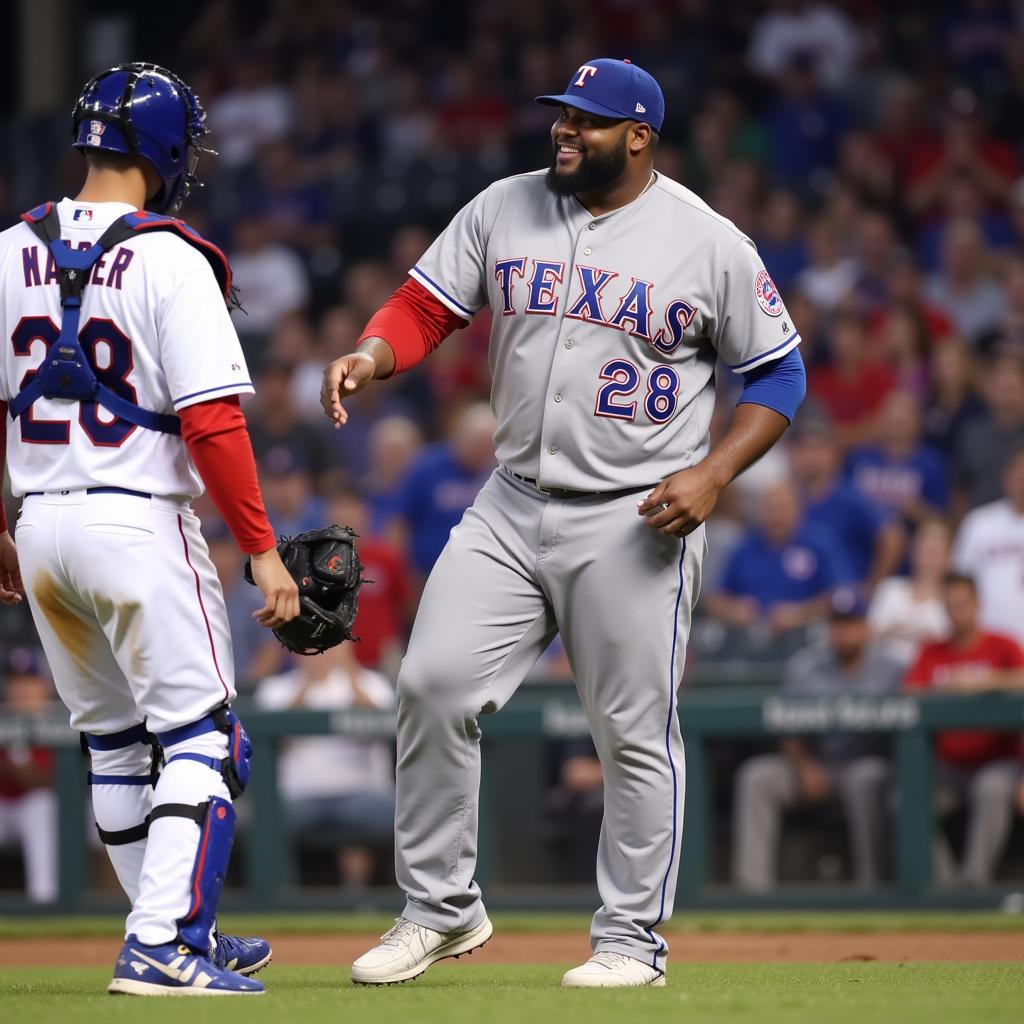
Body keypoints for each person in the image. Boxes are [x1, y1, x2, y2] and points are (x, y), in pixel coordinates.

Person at [321, 58, 805, 988]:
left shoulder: (709, 242)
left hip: (635, 516)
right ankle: (440, 910)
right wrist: (373, 353)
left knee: (631, 734)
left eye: (586, 120)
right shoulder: (506, 205)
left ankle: (632, 940)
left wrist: (712, 473)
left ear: (638, 136)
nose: (564, 131)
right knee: (429, 685)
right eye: (562, 117)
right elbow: (428, 304)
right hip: (510, 502)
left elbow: (780, 374)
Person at [0, 63, 300, 995]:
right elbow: (213, 422)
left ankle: (168, 927)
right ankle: (162, 944)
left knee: (118, 747)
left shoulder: (6, 251)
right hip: (137, 521)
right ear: (167, 152)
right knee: (206, 739)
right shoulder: (173, 257)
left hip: (40, 524)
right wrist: (259, 548)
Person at [732, 589, 904, 891]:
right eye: (838, 623)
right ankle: (753, 889)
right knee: (757, 777)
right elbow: (786, 724)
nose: (844, 632)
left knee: (865, 779)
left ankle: (873, 888)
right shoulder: (806, 666)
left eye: (851, 623)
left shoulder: (892, 668)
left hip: (868, 764)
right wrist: (803, 766)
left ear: (866, 627)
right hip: (816, 765)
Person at [905, 573, 1024, 885]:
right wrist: (944, 689)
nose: (956, 613)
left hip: (999, 761)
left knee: (991, 788)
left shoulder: (1003, 644)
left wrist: (985, 682)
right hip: (948, 766)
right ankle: (944, 885)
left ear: (978, 605)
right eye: (950, 606)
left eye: (962, 605)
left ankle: (974, 882)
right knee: (907, 796)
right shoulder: (933, 651)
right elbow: (909, 695)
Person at [255, 642, 395, 890]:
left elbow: (379, 718)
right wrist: (308, 681)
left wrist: (350, 670)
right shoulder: (276, 688)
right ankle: (282, 902)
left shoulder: (371, 683)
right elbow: (277, 732)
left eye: (329, 645)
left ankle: (364, 900)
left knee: (403, 814)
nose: (320, 653)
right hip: (299, 797)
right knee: (268, 818)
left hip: (360, 794)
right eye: (310, 646)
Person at [0, 648, 58, 904]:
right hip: (4, 808)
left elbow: (46, 781)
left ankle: (43, 900)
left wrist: (19, 756)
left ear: (44, 686)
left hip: (56, 814)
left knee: (40, 805)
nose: (21, 689)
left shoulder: (60, 718)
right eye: (15, 681)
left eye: (29, 680)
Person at [952, 444, 1024, 647]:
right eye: (1018, 477)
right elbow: (960, 582)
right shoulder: (979, 523)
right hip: (986, 640)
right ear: (1006, 479)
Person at [868, 518, 951, 667]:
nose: (929, 561)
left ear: (948, 558)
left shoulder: (952, 600)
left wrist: (900, 631)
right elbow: (869, 635)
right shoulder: (890, 589)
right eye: (925, 552)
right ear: (913, 554)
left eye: (936, 553)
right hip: (883, 675)